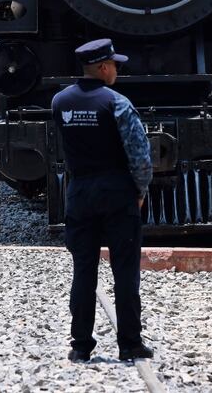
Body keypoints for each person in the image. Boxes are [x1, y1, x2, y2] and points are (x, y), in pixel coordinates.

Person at [51, 39, 153, 363]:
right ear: (104, 68)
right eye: (115, 66)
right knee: (125, 271)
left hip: (79, 193)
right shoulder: (117, 103)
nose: (117, 71)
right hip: (117, 193)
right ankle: (130, 343)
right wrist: (140, 191)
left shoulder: (60, 102)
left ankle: (80, 344)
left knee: (83, 270)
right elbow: (140, 156)